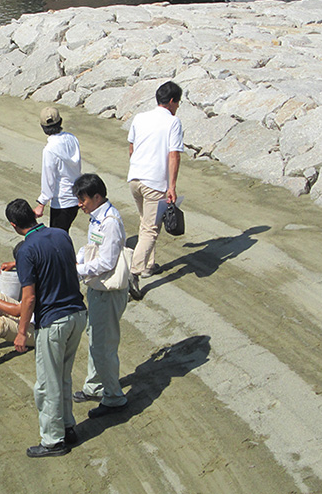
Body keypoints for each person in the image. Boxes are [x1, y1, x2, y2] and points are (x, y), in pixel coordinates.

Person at [5, 198, 87, 458]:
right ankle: (67, 426)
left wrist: (20, 331)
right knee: (63, 376)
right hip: (77, 314)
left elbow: (28, 297)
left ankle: (53, 441)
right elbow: (56, 261)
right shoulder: (61, 235)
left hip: (53, 322)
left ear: (14, 225)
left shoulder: (26, 249)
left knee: (47, 384)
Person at [71, 173, 129, 418]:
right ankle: (95, 386)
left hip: (108, 291)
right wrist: (78, 259)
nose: (79, 204)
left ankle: (114, 397)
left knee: (104, 345)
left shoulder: (110, 222)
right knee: (95, 337)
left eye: (82, 199)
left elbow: (106, 261)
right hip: (97, 289)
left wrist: (76, 270)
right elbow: (90, 247)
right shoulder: (97, 218)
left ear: (97, 197)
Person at [126, 81, 184, 300]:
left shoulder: (140, 117)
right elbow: (174, 154)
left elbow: (131, 146)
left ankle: (149, 265)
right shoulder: (173, 122)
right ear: (171, 101)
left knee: (145, 222)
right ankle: (134, 272)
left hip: (135, 179)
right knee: (151, 229)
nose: (178, 106)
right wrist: (172, 186)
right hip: (154, 183)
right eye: (177, 102)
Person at [34, 107, 82, 232]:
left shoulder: (49, 149)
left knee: (58, 237)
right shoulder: (72, 139)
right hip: (76, 195)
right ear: (60, 121)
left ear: (43, 127)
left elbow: (49, 178)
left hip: (62, 201)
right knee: (64, 234)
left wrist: (41, 204)